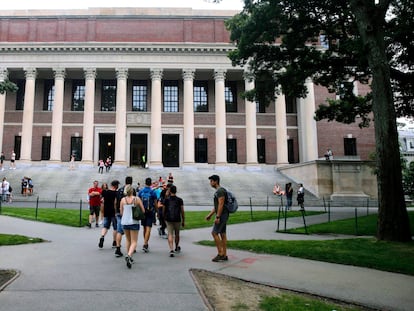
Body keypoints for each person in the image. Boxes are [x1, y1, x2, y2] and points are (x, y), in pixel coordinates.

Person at [120, 184, 145, 269]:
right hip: (134, 221)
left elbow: (121, 212)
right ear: (133, 191)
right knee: (134, 241)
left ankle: (129, 255)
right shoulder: (136, 199)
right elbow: (143, 210)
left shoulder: (123, 200)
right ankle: (129, 256)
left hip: (125, 221)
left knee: (128, 240)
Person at [205, 174, 229, 262]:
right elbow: (217, 206)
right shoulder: (219, 191)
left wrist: (218, 216)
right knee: (222, 234)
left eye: (211, 181)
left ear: (216, 181)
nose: (210, 183)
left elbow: (221, 204)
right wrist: (210, 215)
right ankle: (225, 254)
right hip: (223, 214)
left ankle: (220, 253)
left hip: (222, 215)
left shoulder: (220, 191)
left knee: (214, 233)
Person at [114, 176, 135, 257]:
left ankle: (118, 248)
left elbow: (116, 202)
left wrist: (116, 211)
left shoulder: (119, 190)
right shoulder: (131, 190)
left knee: (119, 231)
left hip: (120, 212)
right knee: (130, 231)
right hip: (129, 213)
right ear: (131, 182)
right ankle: (131, 248)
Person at [163, 185, 184, 257]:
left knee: (170, 234)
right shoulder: (180, 200)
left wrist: (164, 216)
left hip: (169, 219)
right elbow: (182, 211)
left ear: (170, 191)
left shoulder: (167, 199)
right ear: (176, 191)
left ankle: (171, 249)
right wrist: (183, 220)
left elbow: (164, 209)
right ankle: (176, 246)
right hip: (177, 218)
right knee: (177, 234)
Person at [138, 177, 158, 253]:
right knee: (148, 227)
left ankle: (145, 242)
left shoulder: (141, 191)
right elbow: (155, 203)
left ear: (145, 183)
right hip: (150, 211)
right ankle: (145, 243)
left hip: (143, 211)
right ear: (150, 183)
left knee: (144, 228)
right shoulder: (153, 192)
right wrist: (157, 211)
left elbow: (138, 201)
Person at [98, 180, 119, 249]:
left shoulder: (105, 191)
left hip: (106, 211)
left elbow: (101, 199)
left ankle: (102, 236)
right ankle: (114, 242)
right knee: (115, 227)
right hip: (113, 212)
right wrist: (116, 211)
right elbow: (115, 203)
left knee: (105, 226)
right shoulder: (116, 193)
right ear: (115, 186)